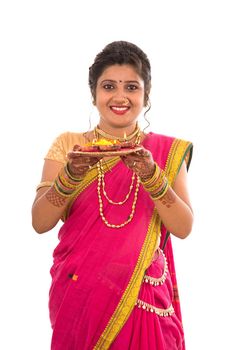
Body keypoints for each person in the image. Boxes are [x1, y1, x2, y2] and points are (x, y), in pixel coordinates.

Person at [32, 40, 193, 350]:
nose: (120, 97)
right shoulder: (69, 146)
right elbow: (40, 222)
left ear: (146, 95)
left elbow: (183, 227)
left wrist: (151, 176)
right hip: (80, 296)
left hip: (143, 298)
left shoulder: (165, 152)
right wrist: (70, 175)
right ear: (94, 94)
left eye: (131, 87)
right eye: (109, 86)